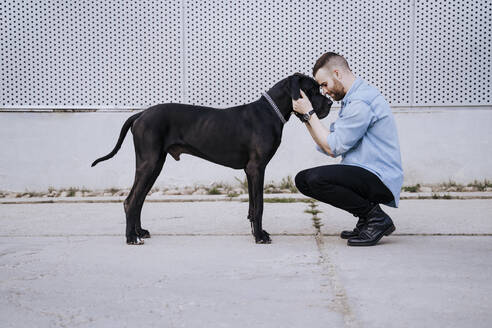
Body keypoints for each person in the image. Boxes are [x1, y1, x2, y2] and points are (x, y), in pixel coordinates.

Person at [292, 52, 403, 246]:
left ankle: (376, 218)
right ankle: (366, 218)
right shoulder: (353, 100)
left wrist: (310, 113)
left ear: (337, 73)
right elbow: (326, 144)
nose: (324, 91)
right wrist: (306, 117)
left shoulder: (361, 103)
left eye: (324, 84)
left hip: (379, 177)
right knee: (305, 180)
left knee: (311, 179)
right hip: (367, 173)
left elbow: (333, 147)